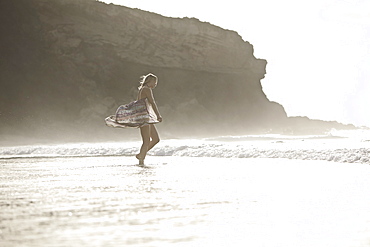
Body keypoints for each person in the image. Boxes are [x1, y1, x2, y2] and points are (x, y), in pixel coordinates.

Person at [135, 73, 162, 165]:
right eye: (154, 82)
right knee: (146, 140)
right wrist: (158, 115)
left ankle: (141, 155)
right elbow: (152, 102)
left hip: (146, 117)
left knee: (156, 139)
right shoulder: (146, 89)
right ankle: (141, 161)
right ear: (149, 81)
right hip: (144, 118)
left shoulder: (143, 89)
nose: (155, 84)